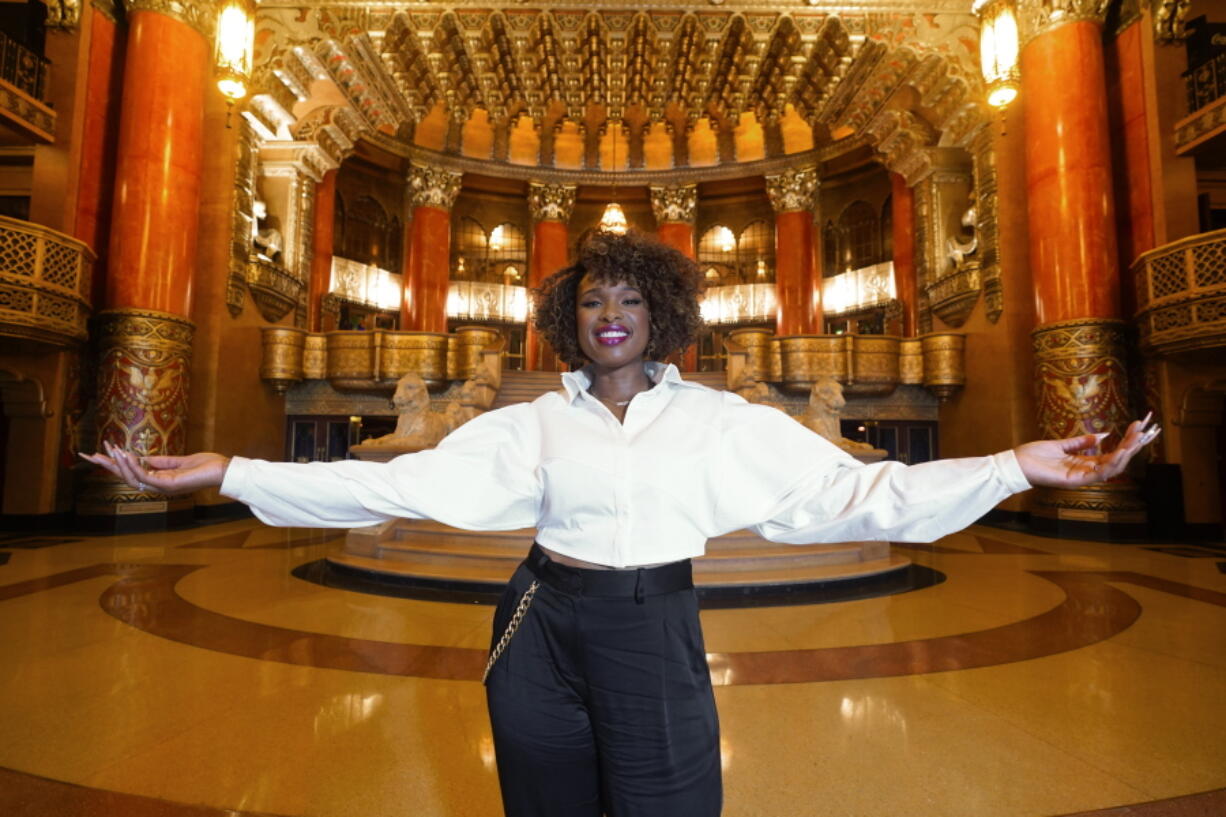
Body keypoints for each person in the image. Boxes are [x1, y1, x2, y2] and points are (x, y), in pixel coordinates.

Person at [83, 230, 1160, 817]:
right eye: (592, 301)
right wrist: (227, 470)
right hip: (538, 625)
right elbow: (388, 490)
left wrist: (1019, 465)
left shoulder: (718, 421)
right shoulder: (532, 426)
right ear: (569, 317)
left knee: (663, 802)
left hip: (653, 626)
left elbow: (860, 496)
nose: (609, 316)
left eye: (629, 303)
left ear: (662, 317)